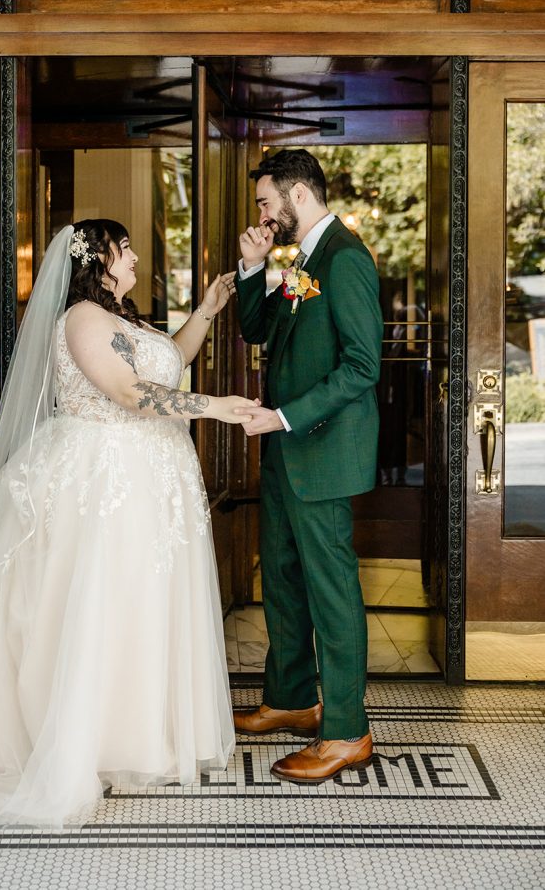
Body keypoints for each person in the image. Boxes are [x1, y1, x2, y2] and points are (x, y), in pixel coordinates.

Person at [0, 219, 255, 828]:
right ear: (98, 259)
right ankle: (87, 740)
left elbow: (170, 361)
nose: (135, 255)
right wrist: (217, 408)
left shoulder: (126, 318)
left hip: (148, 477)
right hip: (105, 477)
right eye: (125, 247)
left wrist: (207, 311)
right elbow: (130, 393)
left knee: (142, 602)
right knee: (99, 604)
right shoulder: (82, 319)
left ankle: (134, 736)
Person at [233, 149, 383, 784]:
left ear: (296, 197)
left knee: (331, 591)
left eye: (267, 202)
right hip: (287, 449)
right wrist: (250, 268)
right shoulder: (305, 261)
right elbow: (260, 330)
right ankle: (293, 699)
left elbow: (361, 365)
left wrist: (287, 416)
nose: (263, 214)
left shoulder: (344, 258)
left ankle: (347, 731)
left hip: (317, 448)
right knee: (286, 582)